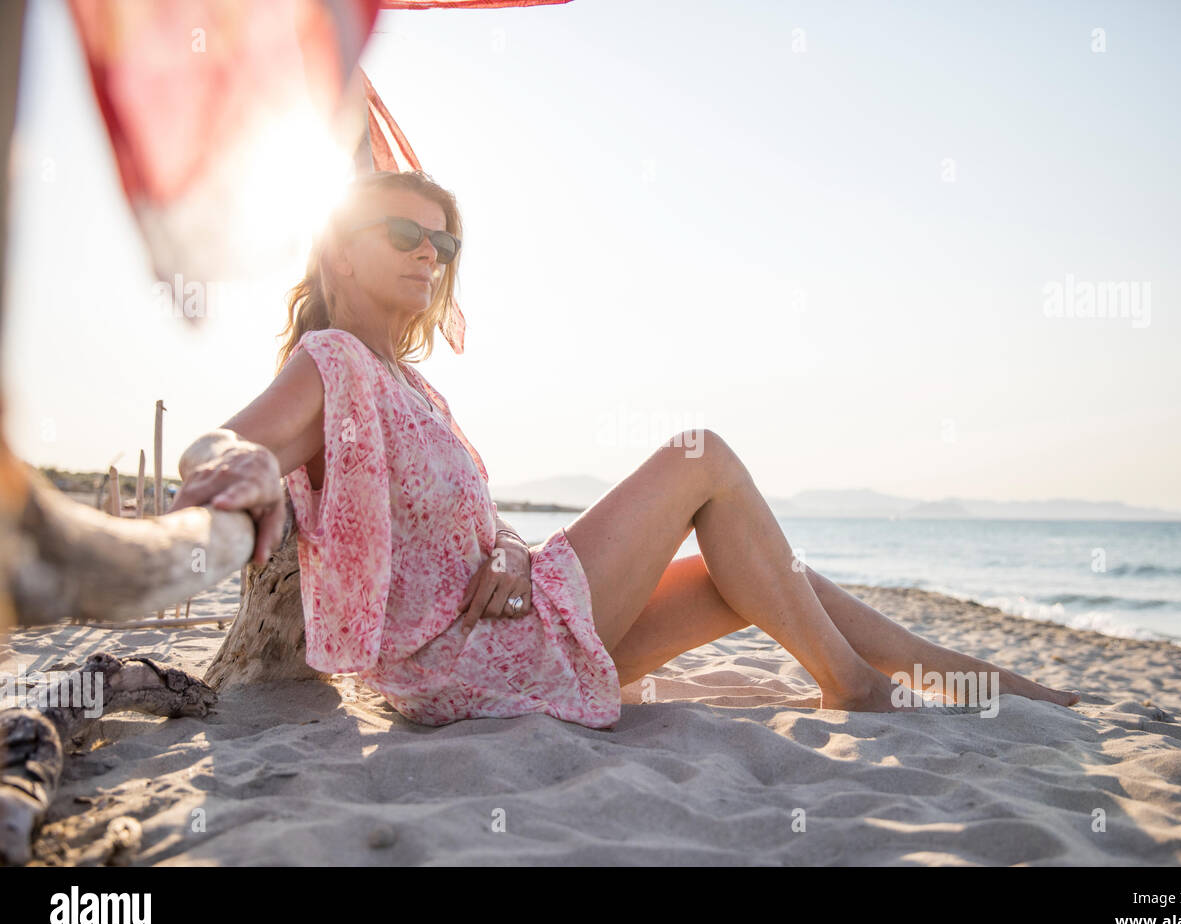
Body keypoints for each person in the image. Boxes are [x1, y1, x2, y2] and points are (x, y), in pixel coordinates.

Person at [170, 170, 1080, 728]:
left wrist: (513, 548)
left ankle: (990, 685)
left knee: (760, 575)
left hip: (501, 635)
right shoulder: (332, 362)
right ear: (338, 257)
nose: (430, 256)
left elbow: (460, 536)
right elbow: (227, 443)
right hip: (467, 665)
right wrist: (235, 467)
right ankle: (859, 693)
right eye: (405, 235)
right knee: (701, 456)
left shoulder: (414, 387)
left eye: (442, 242)